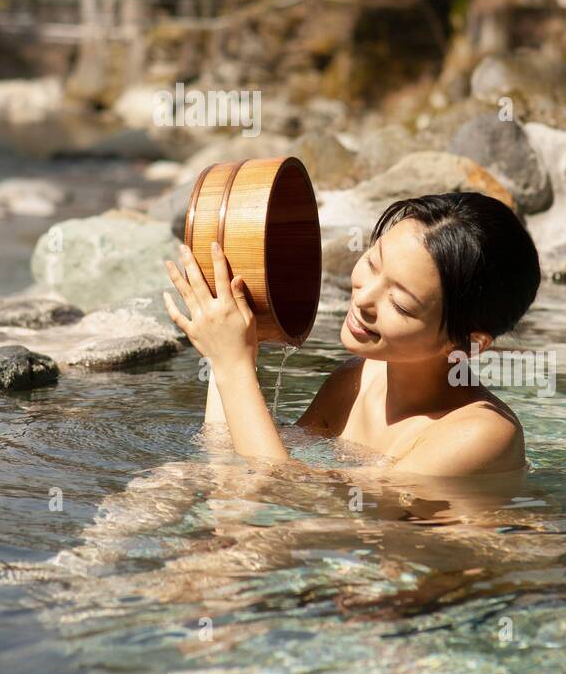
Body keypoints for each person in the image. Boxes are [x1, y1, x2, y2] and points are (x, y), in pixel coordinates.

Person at [163, 191, 541, 479]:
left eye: (400, 303)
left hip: (435, 575)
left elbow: (279, 489)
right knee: (165, 482)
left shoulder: (482, 433)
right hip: (353, 559)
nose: (363, 297)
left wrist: (234, 365)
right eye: (373, 263)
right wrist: (227, 343)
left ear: (470, 344)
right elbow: (231, 450)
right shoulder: (357, 379)